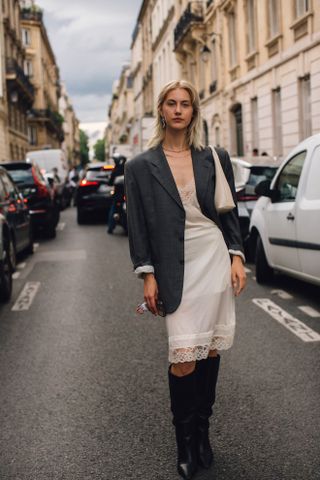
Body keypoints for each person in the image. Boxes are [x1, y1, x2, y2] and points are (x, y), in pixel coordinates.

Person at [125, 80, 246, 479]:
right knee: (183, 356)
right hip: (174, 268)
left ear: (193, 112)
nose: (178, 110)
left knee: (210, 351)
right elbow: (138, 226)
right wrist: (147, 275)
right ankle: (184, 441)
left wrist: (237, 256)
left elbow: (228, 215)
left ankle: (202, 434)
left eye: (186, 104)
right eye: (171, 103)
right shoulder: (140, 166)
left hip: (212, 257)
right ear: (161, 109)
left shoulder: (214, 156)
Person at [107, 153, 126, 234]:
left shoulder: (115, 170)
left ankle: (110, 228)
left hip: (118, 194)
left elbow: (110, 182)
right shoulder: (126, 168)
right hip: (126, 194)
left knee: (113, 209)